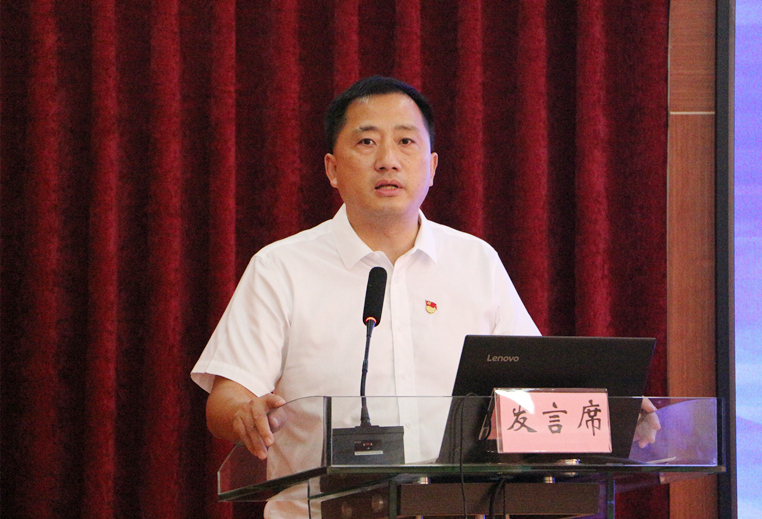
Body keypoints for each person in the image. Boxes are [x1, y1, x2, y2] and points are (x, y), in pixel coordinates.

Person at [191, 76, 655, 517]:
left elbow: (532, 390)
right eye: (366, 141)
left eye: (406, 142)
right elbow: (228, 396)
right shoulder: (281, 267)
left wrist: (610, 414)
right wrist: (245, 415)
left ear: (431, 168)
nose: (388, 160)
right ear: (332, 168)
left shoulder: (475, 261)